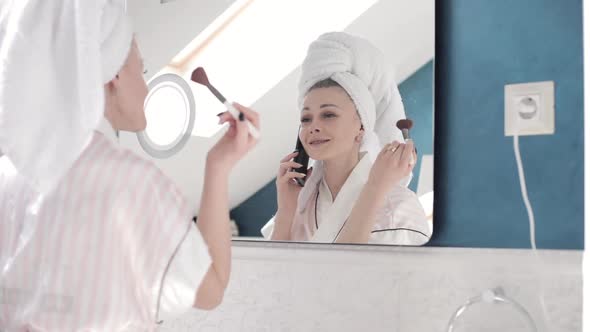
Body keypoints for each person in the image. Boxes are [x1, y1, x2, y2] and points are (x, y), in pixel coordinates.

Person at [0, 1, 259, 330]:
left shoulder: (9, 172)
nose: (147, 85)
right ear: (116, 75)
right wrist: (219, 167)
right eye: (143, 69)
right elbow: (209, 291)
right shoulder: (126, 181)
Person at [261, 32, 431, 245]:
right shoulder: (298, 206)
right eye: (306, 118)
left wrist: (375, 186)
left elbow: (347, 274)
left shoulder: (399, 206)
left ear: (361, 127)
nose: (313, 127)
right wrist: (286, 210)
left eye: (328, 114)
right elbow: (272, 275)